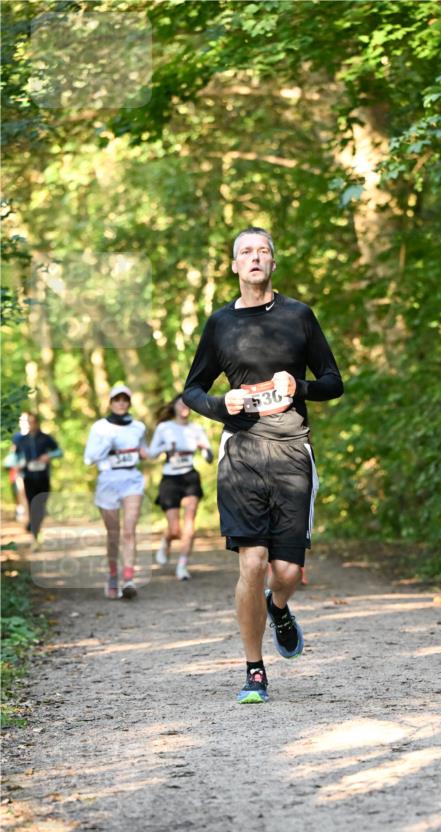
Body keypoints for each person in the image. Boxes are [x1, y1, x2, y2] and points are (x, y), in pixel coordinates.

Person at [183, 226, 344, 704]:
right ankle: (254, 670)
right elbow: (191, 390)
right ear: (234, 266)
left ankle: (280, 608)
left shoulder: (299, 316)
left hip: (293, 452)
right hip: (241, 453)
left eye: (263, 251)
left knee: (287, 572)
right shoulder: (219, 324)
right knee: (251, 562)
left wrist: (301, 386)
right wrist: (221, 403)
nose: (255, 258)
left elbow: (333, 381)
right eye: (245, 252)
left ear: (273, 263)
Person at [84, 384, 148, 599]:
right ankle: (113, 575)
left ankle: (128, 579)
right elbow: (88, 458)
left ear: (129, 403)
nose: (121, 403)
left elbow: (144, 451)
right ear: (110, 403)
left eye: (124, 399)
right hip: (108, 480)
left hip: (131, 479)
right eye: (117, 399)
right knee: (113, 534)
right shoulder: (99, 427)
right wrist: (107, 444)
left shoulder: (138, 427)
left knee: (129, 530)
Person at [148, 394, 213, 580]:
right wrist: (165, 447)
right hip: (170, 479)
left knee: (190, 521)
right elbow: (152, 454)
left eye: (187, 404)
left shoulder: (196, 428)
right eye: (180, 403)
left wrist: (204, 448)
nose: (184, 407)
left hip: (190, 477)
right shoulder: (164, 428)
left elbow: (209, 458)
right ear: (174, 407)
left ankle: (182, 565)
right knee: (175, 528)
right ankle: (166, 540)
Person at [12, 413, 62, 545]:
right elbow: (15, 457)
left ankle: (34, 525)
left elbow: (59, 451)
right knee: (32, 504)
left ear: (37, 423)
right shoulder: (20, 440)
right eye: (27, 422)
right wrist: (18, 464)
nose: (30, 424)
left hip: (43, 477)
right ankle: (35, 534)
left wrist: (48, 456)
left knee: (41, 505)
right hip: (28, 478)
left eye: (32, 421)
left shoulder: (45, 438)